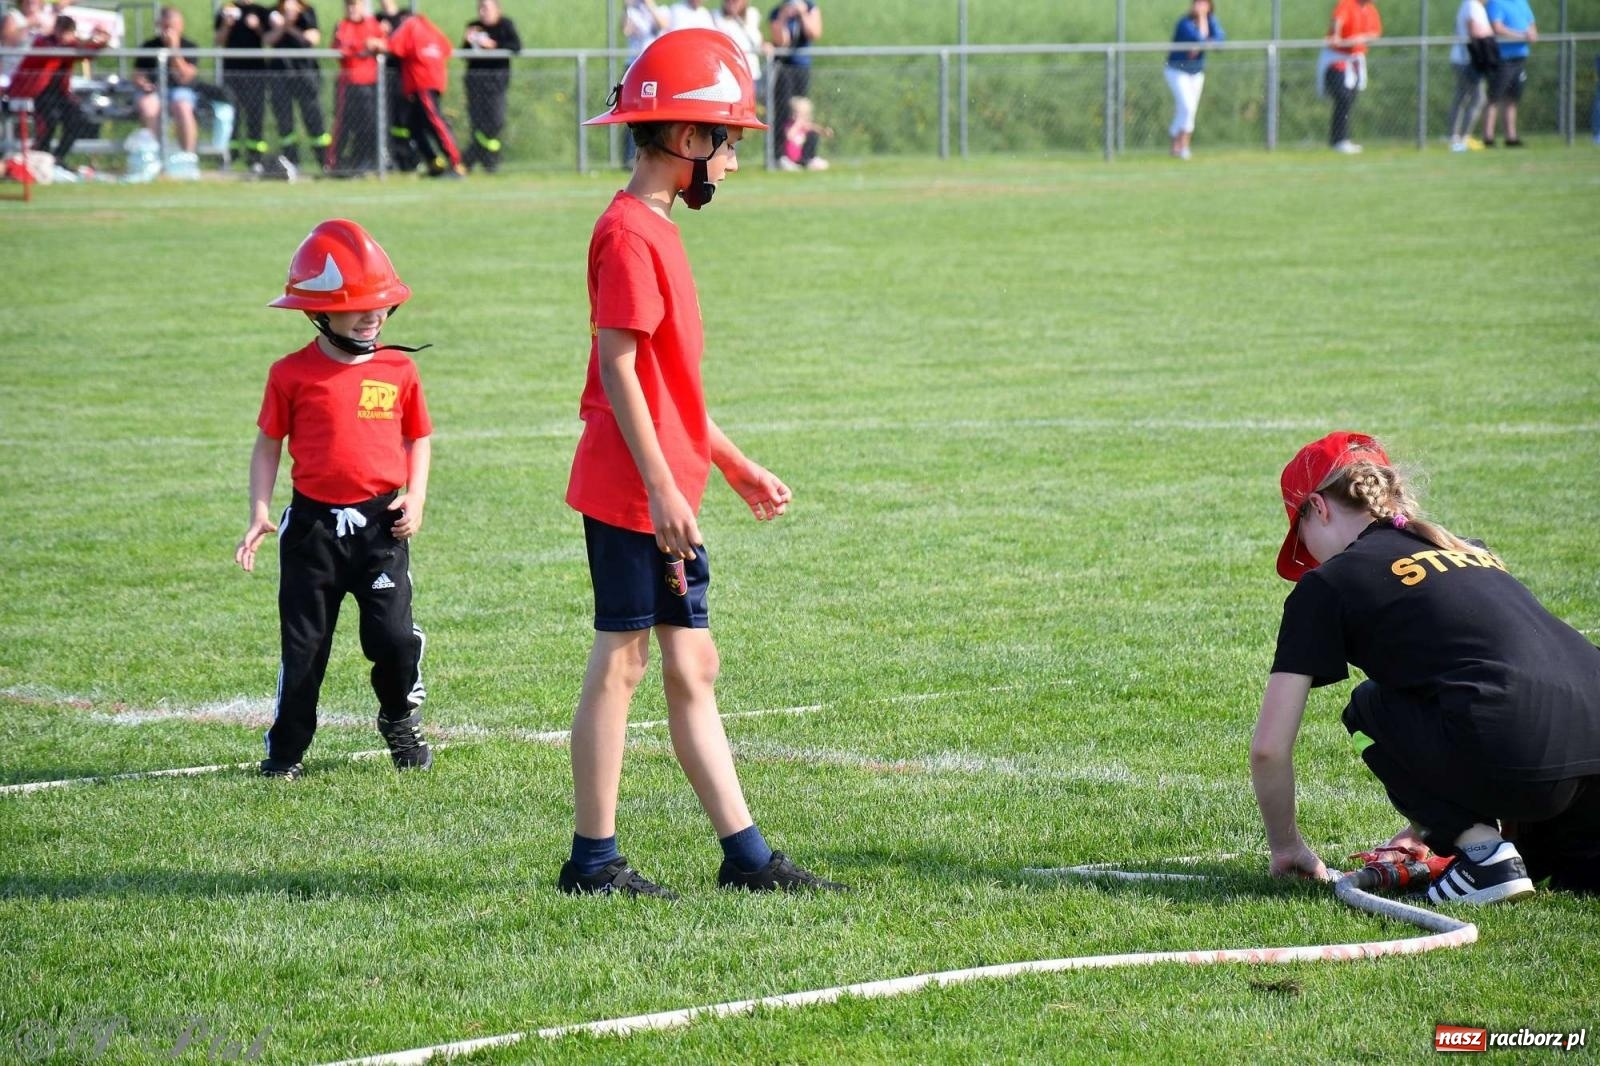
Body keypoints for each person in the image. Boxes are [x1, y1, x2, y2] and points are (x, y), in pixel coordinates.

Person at [563, 29, 848, 898]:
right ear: (684, 141)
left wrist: (728, 463)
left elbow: (668, 384)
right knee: (623, 660)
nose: (730, 160)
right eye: (724, 141)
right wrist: (658, 489)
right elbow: (617, 368)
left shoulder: (657, 231)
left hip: (666, 485)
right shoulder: (627, 234)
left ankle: (747, 858)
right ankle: (594, 861)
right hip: (629, 491)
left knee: (693, 664)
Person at [1251, 432, 1600, 903]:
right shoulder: (1467, 548)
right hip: (1588, 755)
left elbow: (1269, 749)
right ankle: (1490, 847)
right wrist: (1427, 823)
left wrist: (1286, 846)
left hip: (1520, 763)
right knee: (1559, 871)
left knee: (1368, 705)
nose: (1308, 553)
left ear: (1318, 507)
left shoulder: (1329, 583)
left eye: (1300, 535)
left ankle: (1485, 857)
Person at [236, 219, 435, 781]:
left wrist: (415, 497)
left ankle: (398, 719)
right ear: (317, 311)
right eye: (357, 307)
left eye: (381, 305)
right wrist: (258, 509)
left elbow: (418, 436)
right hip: (312, 534)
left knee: (393, 639)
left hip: (381, 530)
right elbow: (267, 444)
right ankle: (286, 752)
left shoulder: (399, 369)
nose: (373, 316)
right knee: (303, 651)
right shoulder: (290, 374)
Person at [369, 10, 463, 177]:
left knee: (435, 121)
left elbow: (392, 46)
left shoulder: (409, 25)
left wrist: (374, 43)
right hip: (432, 80)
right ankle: (434, 163)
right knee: (414, 125)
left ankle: (456, 163)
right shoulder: (428, 26)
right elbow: (447, 48)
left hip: (422, 82)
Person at [10, 14, 107, 164]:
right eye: (61, 31)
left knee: (77, 118)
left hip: (60, 94)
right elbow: (55, 51)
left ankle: (58, 158)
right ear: (55, 30)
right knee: (49, 123)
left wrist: (102, 40)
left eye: (67, 32)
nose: (64, 36)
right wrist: (82, 42)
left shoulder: (71, 46)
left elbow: (88, 53)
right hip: (37, 93)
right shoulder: (42, 42)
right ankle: (40, 159)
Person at [264, 0, 330, 173]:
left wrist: (289, 24)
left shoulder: (307, 12)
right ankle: (292, 163)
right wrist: (283, 23)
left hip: (304, 72)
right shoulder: (273, 12)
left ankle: (325, 162)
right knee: (284, 121)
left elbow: (311, 38)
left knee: (314, 119)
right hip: (280, 73)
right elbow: (268, 39)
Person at [461, 0, 519, 173]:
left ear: (497, 10)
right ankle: (488, 164)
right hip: (475, 83)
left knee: (495, 122)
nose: (482, 12)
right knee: (477, 124)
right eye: (480, 8)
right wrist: (468, 40)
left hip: (496, 83)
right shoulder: (473, 26)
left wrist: (493, 46)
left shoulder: (505, 25)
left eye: (486, 8)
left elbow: (516, 46)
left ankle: (468, 159)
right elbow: (464, 53)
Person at [133, 5, 200, 157]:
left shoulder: (190, 46)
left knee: (182, 106)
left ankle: (187, 156)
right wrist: (143, 83)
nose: (169, 31)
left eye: (173, 27)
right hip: (154, 91)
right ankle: (154, 155)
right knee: (148, 106)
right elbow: (137, 75)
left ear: (180, 26)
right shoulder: (148, 46)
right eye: (165, 26)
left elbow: (186, 76)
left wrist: (174, 49)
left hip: (180, 90)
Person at [216, 0, 273, 171]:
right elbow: (218, 40)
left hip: (256, 72)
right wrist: (227, 25)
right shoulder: (227, 10)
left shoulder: (261, 11)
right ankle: (229, 156)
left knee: (255, 114)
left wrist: (257, 27)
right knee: (231, 114)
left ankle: (255, 158)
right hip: (232, 72)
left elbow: (269, 39)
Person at [329, 0, 383, 174]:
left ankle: (364, 160)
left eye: (356, 4)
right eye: (349, 5)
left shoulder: (373, 24)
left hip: (369, 83)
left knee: (368, 124)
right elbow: (338, 49)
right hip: (348, 83)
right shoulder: (342, 25)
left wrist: (375, 44)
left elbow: (385, 44)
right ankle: (332, 163)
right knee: (343, 124)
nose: (352, 8)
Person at [1164, 0, 1223, 161]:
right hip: (1177, 71)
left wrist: (1205, 21)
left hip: (1196, 72)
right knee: (1187, 107)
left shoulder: (1212, 21)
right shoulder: (1185, 23)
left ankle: (1177, 146)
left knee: (1188, 110)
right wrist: (1202, 20)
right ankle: (1182, 146)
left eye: (1204, 4)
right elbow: (1199, 40)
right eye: (1197, 3)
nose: (1200, 6)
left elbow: (1219, 42)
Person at [1322, 0, 1381, 154]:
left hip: (1355, 59)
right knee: (1343, 96)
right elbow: (1338, 20)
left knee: (1350, 98)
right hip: (1338, 58)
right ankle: (1339, 140)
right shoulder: (1347, 4)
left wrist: (1360, 38)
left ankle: (1342, 139)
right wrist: (1336, 35)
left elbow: (1375, 33)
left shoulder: (1370, 9)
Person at [620, 0, 667, 168]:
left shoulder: (661, 9)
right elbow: (626, 30)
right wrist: (627, 6)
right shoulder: (632, 12)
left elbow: (662, 24)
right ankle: (630, 157)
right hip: (634, 66)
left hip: (653, 66)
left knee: (654, 113)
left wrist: (649, 4)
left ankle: (655, 152)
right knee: (631, 114)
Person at [1483, 0, 1536, 147]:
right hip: (1503, 59)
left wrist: (1531, 33)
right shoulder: (1497, 3)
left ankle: (1511, 137)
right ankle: (1488, 137)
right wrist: (1521, 35)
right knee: (1494, 97)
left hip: (1520, 58)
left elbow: (1531, 24)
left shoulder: (1522, 3)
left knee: (1512, 98)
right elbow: (1497, 28)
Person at [1447, 0, 1495, 151]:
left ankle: (1456, 137)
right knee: (1478, 98)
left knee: (1462, 97)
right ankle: (1462, 137)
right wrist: (1490, 34)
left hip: (1464, 59)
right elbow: (1474, 29)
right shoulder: (1472, 5)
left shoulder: (1474, 6)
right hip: (1466, 60)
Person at [768, 0, 819, 137]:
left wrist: (802, 14)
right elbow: (782, 42)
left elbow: (814, 33)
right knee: (783, 108)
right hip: (783, 68)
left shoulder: (810, 8)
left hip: (802, 66)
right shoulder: (777, 12)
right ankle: (781, 152)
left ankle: (804, 152)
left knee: (803, 109)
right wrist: (784, 16)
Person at [712, 0, 767, 90]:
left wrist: (765, 45)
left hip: (750, 72)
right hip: (727, 74)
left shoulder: (752, 15)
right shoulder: (715, 17)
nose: (731, 2)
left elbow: (757, 39)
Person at [776, 93, 829, 169]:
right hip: (789, 157)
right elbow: (789, 136)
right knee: (783, 161)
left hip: (801, 156)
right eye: (797, 113)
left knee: (812, 135)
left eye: (804, 115)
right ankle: (791, 164)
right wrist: (797, 124)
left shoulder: (805, 126)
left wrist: (823, 131)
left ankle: (809, 160)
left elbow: (814, 127)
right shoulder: (789, 125)